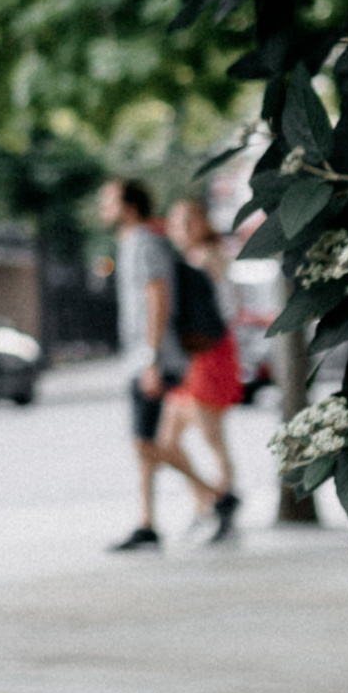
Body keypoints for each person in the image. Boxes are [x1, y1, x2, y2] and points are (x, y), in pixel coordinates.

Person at [98, 172, 192, 553]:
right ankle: (147, 523)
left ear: (130, 207)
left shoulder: (144, 243)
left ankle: (218, 495)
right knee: (147, 443)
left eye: (109, 201)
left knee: (143, 443)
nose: (103, 208)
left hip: (152, 358)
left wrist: (152, 359)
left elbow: (158, 297)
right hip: (142, 357)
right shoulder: (131, 243)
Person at [162, 194, 244, 543]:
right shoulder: (191, 259)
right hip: (191, 354)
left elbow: (223, 309)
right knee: (167, 441)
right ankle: (211, 502)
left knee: (212, 437)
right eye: (177, 222)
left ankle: (221, 506)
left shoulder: (210, 256)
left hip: (209, 352)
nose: (182, 229)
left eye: (189, 221)